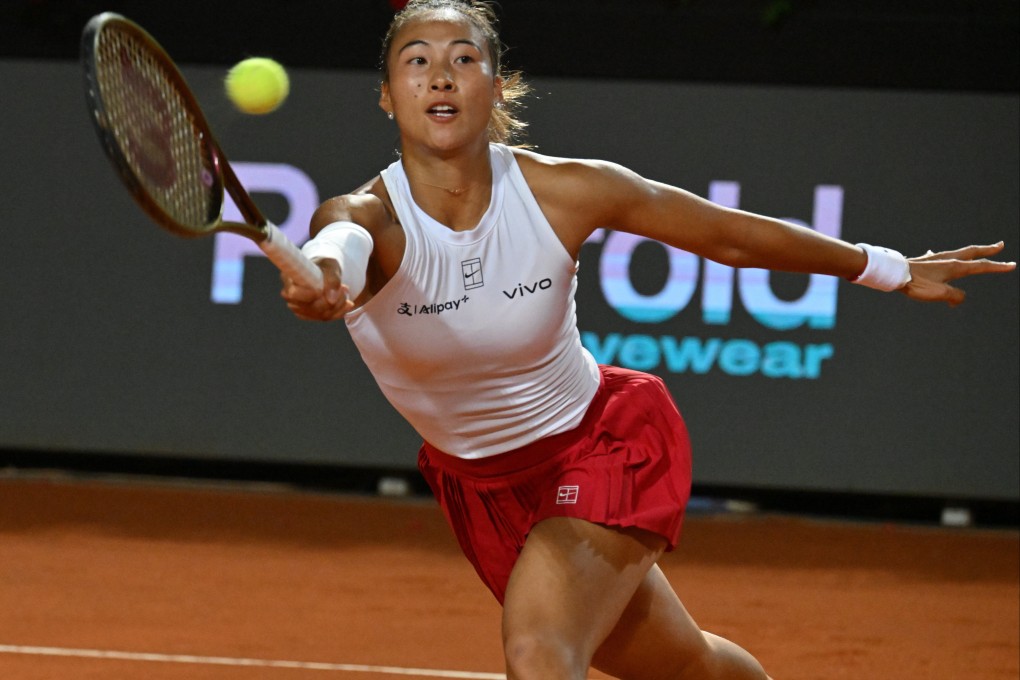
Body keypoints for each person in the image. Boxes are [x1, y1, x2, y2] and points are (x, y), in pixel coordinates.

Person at [280, 1, 1015, 678]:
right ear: (387, 95)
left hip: (601, 446)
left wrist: (889, 268)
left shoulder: (567, 190)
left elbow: (728, 237)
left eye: (463, 59)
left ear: (498, 87)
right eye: (416, 60)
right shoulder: (365, 216)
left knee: (540, 650)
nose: (440, 75)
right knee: (688, 666)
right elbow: (337, 245)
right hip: (482, 490)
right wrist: (324, 278)